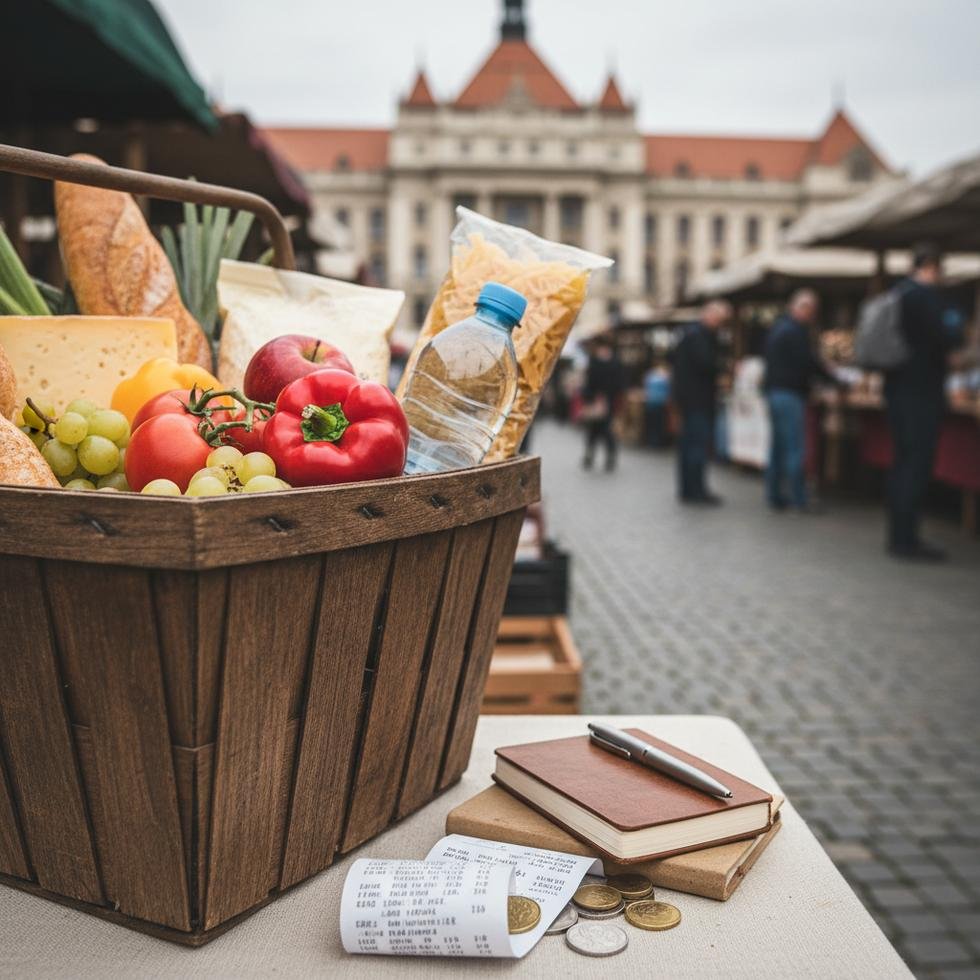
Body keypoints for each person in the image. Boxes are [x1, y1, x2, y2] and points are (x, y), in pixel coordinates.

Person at [884, 243, 964, 561]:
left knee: (902, 462)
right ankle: (907, 539)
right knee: (916, 465)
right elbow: (947, 337)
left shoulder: (898, 294)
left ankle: (898, 535)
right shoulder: (923, 297)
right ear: (931, 267)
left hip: (898, 390)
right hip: (920, 391)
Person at [763, 289, 838, 513]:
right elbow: (808, 362)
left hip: (775, 392)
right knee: (795, 448)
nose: (813, 316)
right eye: (811, 311)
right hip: (789, 394)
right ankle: (798, 497)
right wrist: (833, 379)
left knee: (778, 448)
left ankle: (775, 495)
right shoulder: (794, 331)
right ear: (803, 308)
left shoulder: (778, 328)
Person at [671, 300, 730, 504]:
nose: (721, 325)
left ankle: (688, 489)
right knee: (696, 446)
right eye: (721, 320)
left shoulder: (690, 334)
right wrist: (722, 367)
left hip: (690, 399)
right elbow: (706, 365)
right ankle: (696, 490)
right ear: (711, 316)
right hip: (698, 400)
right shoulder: (699, 336)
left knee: (689, 445)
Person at [581, 336, 626, 472]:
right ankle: (591, 455)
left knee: (606, 431)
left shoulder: (614, 363)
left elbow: (620, 384)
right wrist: (590, 398)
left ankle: (608, 456)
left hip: (609, 402)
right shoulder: (595, 362)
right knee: (594, 430)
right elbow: (589, 383)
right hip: (596, 402)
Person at [643, 360, 670, 448]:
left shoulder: (650, 375)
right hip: (659, 402)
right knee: (659, 423)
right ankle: (657, 442)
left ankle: (651, 441)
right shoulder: (664, 377)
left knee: (652, 423)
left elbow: (646, 385)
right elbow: (668, 390)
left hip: (650, 401)